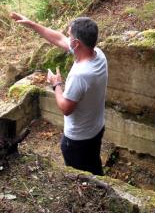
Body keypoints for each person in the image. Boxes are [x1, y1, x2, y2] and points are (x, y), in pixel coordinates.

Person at [10, 13, 108, 175]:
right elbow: (59, 39)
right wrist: (32, 24)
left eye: (70, 35)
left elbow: (66, 108)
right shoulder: (98, 54)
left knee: (81, 176)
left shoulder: (81, 75)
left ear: (76, 43)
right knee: (93, 165)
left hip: (78, 139)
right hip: (96, 129)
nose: (67, 37)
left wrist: (56, 84)